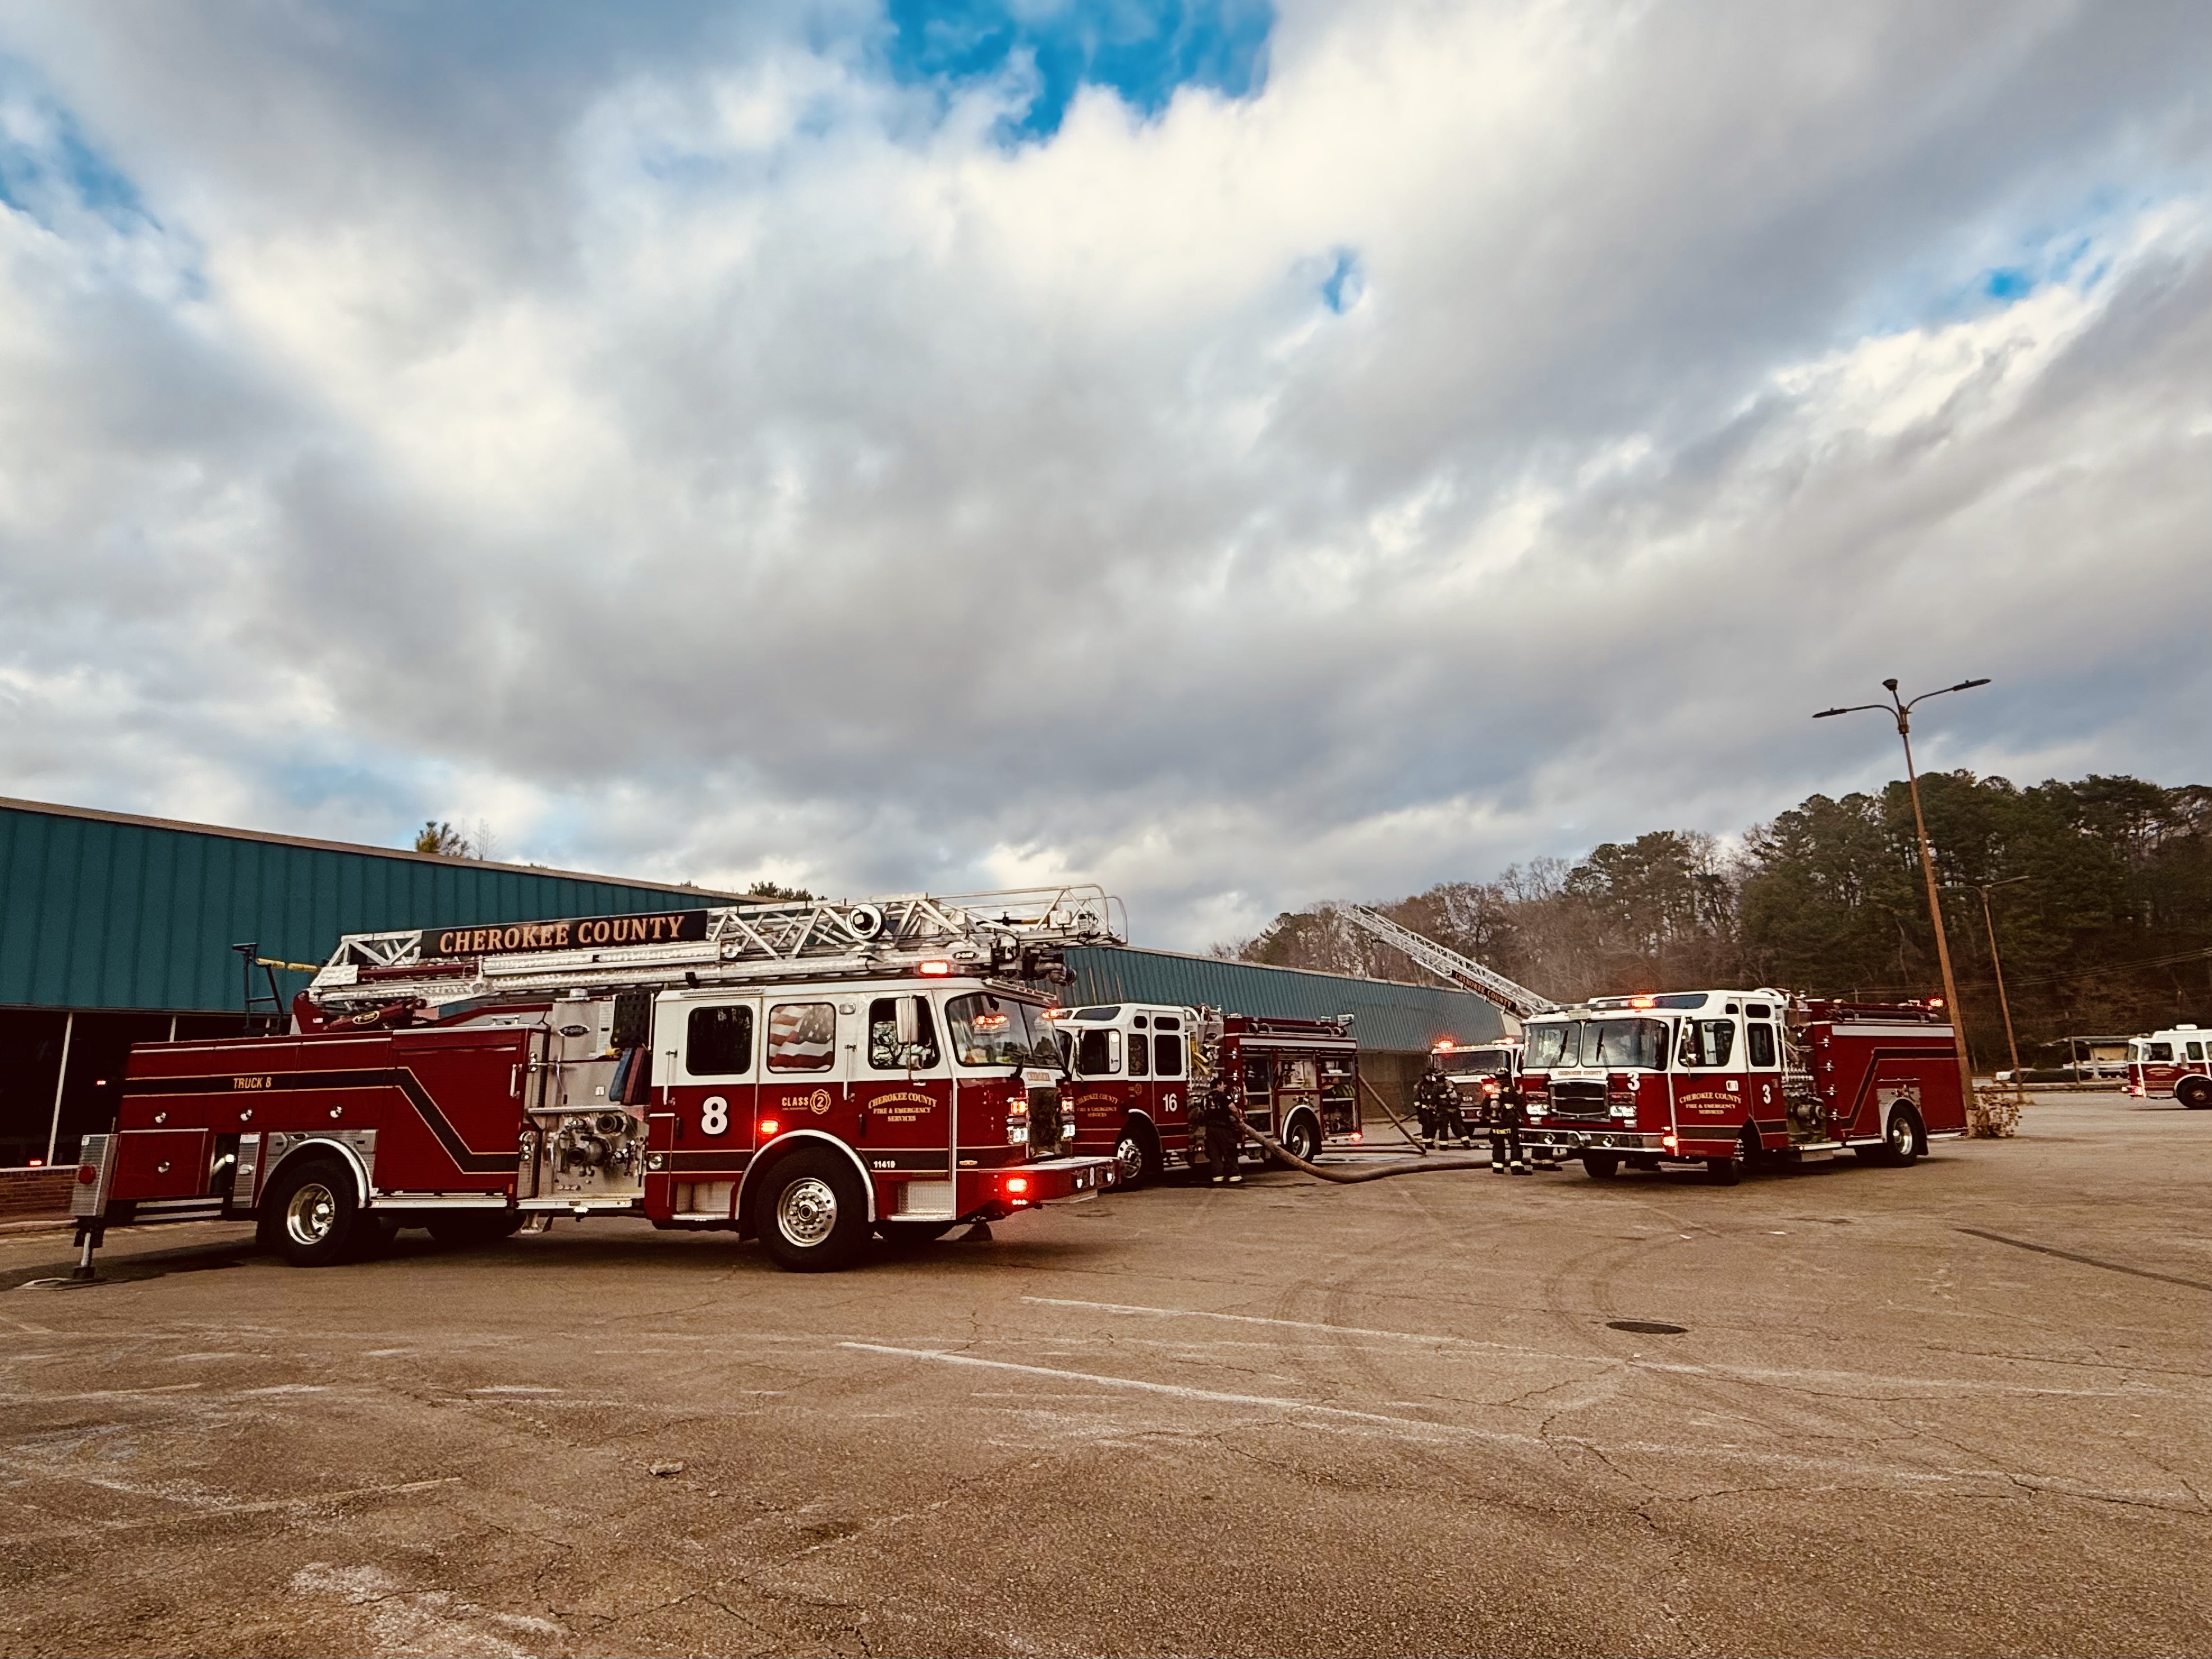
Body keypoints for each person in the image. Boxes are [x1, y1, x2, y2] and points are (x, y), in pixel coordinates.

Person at [1197, 1068, 1245, 1186]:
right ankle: (1235, 1176)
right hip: (1223, 1129)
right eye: (1223, 1085)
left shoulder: (1205, 1099)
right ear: (1218, 1085)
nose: (1224, 1087)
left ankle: (1217, 1177)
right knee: (1230, 1152)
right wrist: (1239, 1120)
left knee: (1215, 1154)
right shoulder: (1224, 1097)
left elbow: (1201, 1114)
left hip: (1210, 1130)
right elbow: (1233, 1109)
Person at [1413, 1058, 1471, 1151]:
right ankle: (1466, 1141)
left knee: (1443, 1127)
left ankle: (1443, 1145)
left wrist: (1432, 1105)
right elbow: (1459, 1095)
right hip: (1453, 1109)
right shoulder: (1450, 1083)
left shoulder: (1436, 1087)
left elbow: (1434, 1098)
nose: (1431, 1078)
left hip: (1442, 1110)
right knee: (1457, 1126)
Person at [1488, 1067, 1530, 1175]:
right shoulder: (1510, 1089)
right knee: (1515, 1143)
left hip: (1496, 1122)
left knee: (1498, 1145)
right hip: (1509, 1121)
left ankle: (1498, 1167)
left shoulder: (1493, 1090)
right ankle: (1516, 1167)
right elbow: (1519, 1103)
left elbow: (1485, 1105)